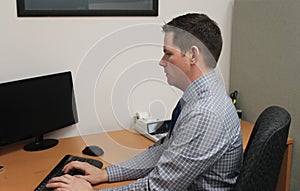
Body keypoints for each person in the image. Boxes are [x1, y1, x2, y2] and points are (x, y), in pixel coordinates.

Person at [46, 13, 243, 191]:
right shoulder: (199, 98)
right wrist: (105, 174)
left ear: (192, 55)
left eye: (168, 53)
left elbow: (158, 188)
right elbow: (162, 151)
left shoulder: (205, 113)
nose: (161, 61)